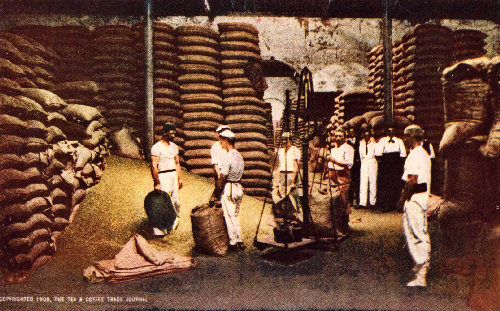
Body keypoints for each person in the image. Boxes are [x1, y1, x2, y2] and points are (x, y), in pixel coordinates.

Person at [398, 124, 432, 287]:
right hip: (419, 198)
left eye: (406, 136)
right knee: (416, 232)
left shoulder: (415, 155)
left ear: (413, 137)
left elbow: (412, 180)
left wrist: (402, 199)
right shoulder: (422, 153)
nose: (404, 139)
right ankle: (420, 267)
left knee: (417, 233)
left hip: (415, 198)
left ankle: (422, 273)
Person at [211, 129, 245, 251]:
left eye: (221, 140)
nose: (220, 143)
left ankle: (233, 242)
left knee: (229, 215)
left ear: (226, 141)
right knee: (235, 215)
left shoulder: (228, 156)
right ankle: (239, 240)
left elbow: (223, 177)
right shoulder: (239, 156)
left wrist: (216, 193)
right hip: (238, 187)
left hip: (229, 187)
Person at [150, 122, 183, 236]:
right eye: (171, 133)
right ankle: (161, 228)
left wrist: (179, 178)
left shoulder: (174, 147)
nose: (173, 136)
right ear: (164, 133)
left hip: (173, 175)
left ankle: (174, 221)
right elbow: (154, 166)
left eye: (174, 133)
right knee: (163, 202)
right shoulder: (157, 147)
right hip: (163, 175)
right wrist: (157, 182)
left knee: (176, 201)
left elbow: (177, 163)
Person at [327, 129, 354, 239]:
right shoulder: (333, 149)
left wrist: (332, 160)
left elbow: (347, 164)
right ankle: (335, 226)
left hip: (342, 175)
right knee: (333, 199)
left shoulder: (348, 148)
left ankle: (344, 226)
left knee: (342, 200)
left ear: (345, 137)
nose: (337, 138)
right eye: (336, 136)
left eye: (340, 136)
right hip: (332, 174)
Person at [375, 127, 406, 212]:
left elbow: (403, 154)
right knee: (386, 184)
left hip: (396, 165)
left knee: (396, 184)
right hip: (386, 164)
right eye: (389, 131)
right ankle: (385, 205)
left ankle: (395, 204)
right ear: (387, 132)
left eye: (393, 131)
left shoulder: (399, 141)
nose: (391, 132)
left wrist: (400, 166)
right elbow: (378, 153)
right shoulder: (382, 141)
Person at [273, 132, 301, 212]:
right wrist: (277, 180)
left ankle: (297, 213)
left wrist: (292, 181)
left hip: (291, 174)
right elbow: (279, 166)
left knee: (292, 195)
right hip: (283, 174)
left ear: (290, 140)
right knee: (282, 194)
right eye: (283, 139)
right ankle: (287, 214)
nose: (284, 141)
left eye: (286, 139)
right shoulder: (281, 151)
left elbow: (296, 166)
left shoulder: (295, 150)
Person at [358, 129, 378, 209]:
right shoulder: (361, 144)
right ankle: (362, 203)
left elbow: (376, 153)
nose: (366, 137)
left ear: (370, 136)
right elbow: (361, 156)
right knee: (363, 182)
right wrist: (363, 163)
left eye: (368, 136)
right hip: (364, 162)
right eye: (365, 135)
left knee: (372, 182)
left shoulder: (374, 144)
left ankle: (372, 203)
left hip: (372, 162)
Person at [346, 128, 361, 207]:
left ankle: (358, 200)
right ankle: (350, 200)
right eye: (350, 132)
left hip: (357, 165)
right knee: (350, 183)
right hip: (350, 165)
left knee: (357, 182)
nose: (351, 134)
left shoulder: (359, 142)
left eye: (353, 132)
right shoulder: (347, 142)